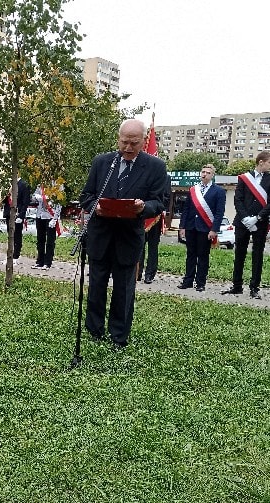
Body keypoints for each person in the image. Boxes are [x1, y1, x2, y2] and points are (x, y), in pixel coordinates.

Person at [79, 119, 167, 350]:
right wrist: (95, 206)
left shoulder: (155, 166)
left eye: (134, 143)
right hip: (101, 235)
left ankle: (118, 335)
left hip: (129, 237)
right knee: (96, 285)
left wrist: (143, 207)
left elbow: (159, 202)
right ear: (118, 138)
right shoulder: (102, 163)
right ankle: (94, 330)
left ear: (143, 141)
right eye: (124, 142)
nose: (128, 148)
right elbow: (86, 195)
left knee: (124, 289)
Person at [221, 151, 270, 299]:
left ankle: (254, 288)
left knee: (257, 255)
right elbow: (238, 199)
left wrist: (257, 218)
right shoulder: (244, 178)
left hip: (260, 223)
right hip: (242, 222)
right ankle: (237, 286)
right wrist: (246, 217)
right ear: (261, 162)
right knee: (239, 254)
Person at [177, 164, 225, 292]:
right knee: (190, 255)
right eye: (203, 172)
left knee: (203, 256)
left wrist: (214, 229)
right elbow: (186, 209)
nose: (204, 174)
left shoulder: (219, 191)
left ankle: (200, 283)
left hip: (206, 229)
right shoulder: (193, 189)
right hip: (191, 227)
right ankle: (187, 281)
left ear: (212, 175)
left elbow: (219, 213)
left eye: (208, 172)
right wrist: (182, 226)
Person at [138, 173, 171, 283]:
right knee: (139, 246)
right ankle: (137, 272)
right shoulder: (139, 173)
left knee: (153, 247)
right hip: (140, 215)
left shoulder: (164, 176)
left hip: (155, 216)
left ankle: (149, 274)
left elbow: (166, 196)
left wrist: (159, 209)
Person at [31, 184, 62, 270]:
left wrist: (55, 218)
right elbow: (33, 197)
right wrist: (37, 197)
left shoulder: (58, 185)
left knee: (50, 242)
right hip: (40, 215)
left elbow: (59, 204)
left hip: (50, 216)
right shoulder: (41, 185)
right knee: (40, 240)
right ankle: (40, 261)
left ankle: (48, 263)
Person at [2, 176, 30, 263]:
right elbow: (3, 200)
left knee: (17, 235)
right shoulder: (8, 184)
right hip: (8, 212)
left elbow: (25, 201)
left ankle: (16, 255)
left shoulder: (24, 184)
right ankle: (10, 254)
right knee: (10, 234)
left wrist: (21, 215)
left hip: (18, 213)